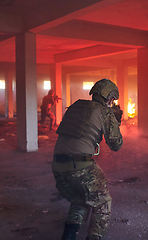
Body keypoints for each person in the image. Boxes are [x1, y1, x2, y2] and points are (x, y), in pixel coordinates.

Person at [52, 79, 123, 240]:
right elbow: (116, 144)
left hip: (57, 166)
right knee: (102, 203)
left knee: (80, 199)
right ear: (110, 99)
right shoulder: (105, 112)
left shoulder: (76, 105)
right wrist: (115, 121)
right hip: (80, 166)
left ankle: (68, 236)